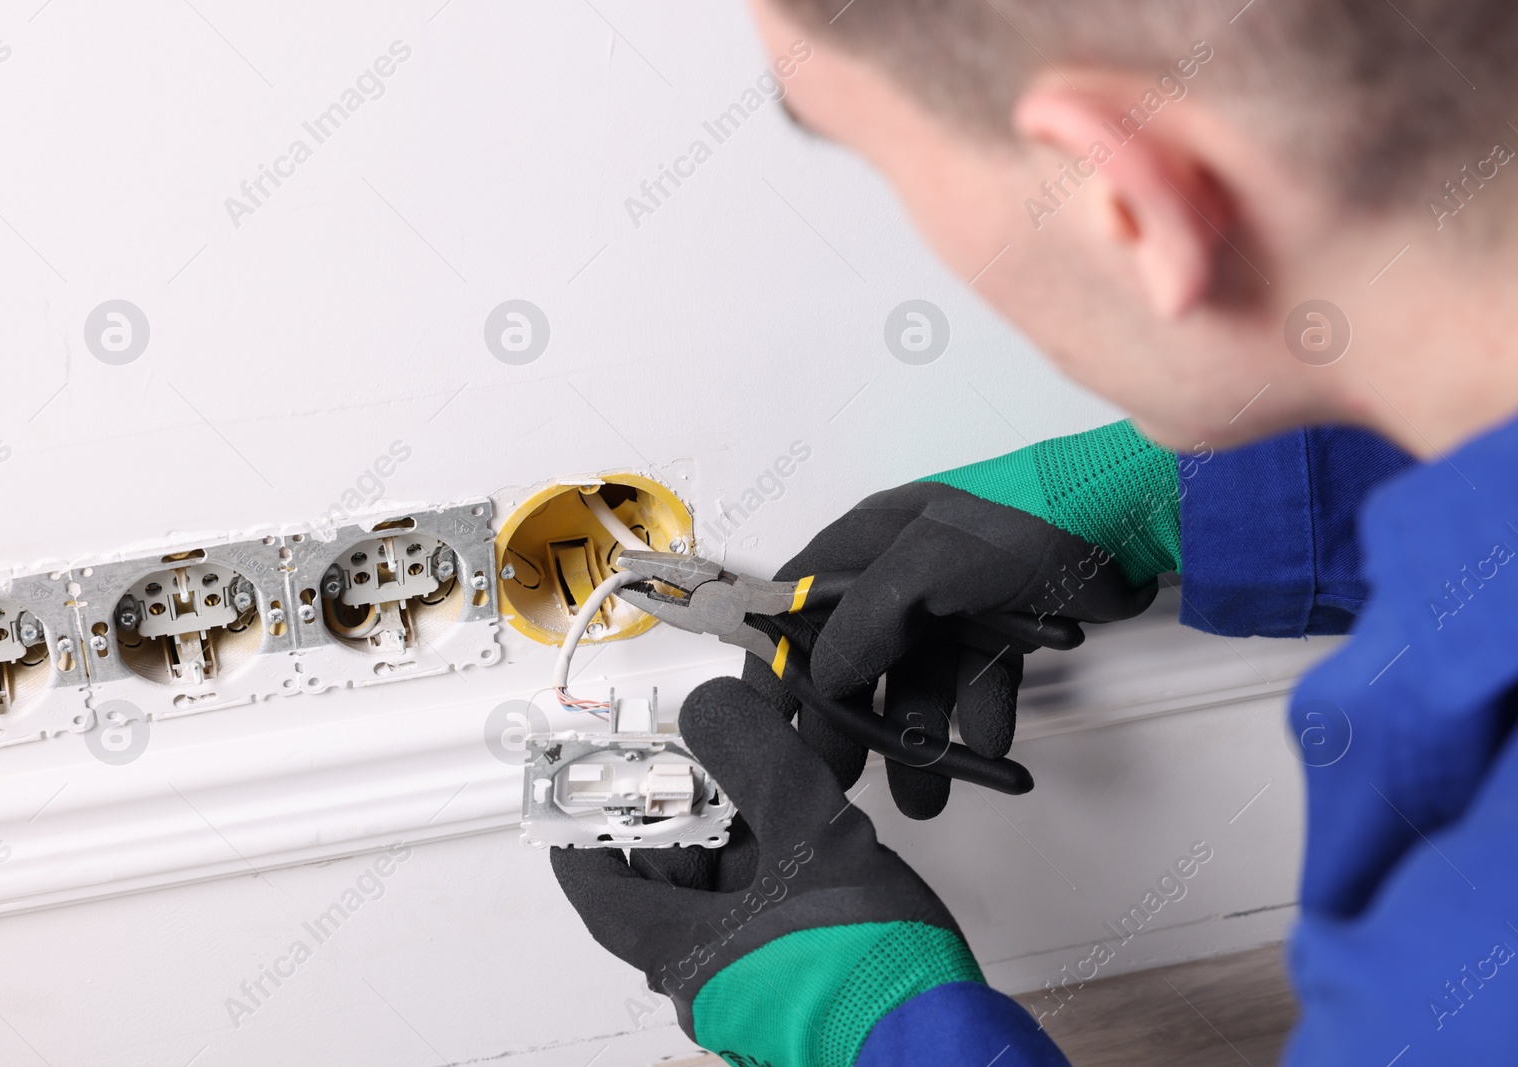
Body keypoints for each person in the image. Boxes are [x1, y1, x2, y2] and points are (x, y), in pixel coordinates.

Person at [555, 1, 1518, 1062]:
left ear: (1127, 199)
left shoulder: (1461, 958)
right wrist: (1208, 495)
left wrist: (881, 1025)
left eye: (881, 164)